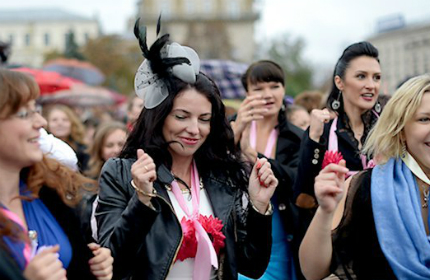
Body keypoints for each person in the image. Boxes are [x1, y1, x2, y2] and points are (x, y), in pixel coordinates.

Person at [95, 20, 278, 280]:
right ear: (159, 117)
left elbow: (252, 266)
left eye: (204, 119)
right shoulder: (122, 174)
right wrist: (142, 200)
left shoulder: (222, 175)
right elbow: (112, 264)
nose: (194, 129)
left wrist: (259, 206)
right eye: (182, 116)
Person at [300, 74, 430, 280]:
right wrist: (325, 211)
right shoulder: (364, 186)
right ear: (401, 129)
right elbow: (313, 272)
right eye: (425, 119)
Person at [0, 69, 113, 279]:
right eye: (24, 113)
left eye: (37, 109)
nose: (41, 123)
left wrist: (94, 268)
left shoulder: (49, 189)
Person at [230, 60, 303, 280]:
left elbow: (297, 180)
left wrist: (254, 156)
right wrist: (233, 137)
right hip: (234, 225)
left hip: (278, 225)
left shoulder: (295, 136)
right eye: (258, 89)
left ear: (283, 89)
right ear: (247, 94)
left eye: (274, 86)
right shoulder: (230, 126)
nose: (268, 94)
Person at [293, 41, 382, 210]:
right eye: (361, 76)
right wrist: (314, 140)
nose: (371, 85)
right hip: (334, 230)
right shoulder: (323, 131)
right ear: (339, 82)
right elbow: (302, 199)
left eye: (376, 77)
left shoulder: (389, 130)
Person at [45, 104, 90, 171]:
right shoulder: (41, 149)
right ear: (47, 124)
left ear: (72, 124)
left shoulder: (83, 150)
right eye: (54, 120)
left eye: (65, 120)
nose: (60, 123)